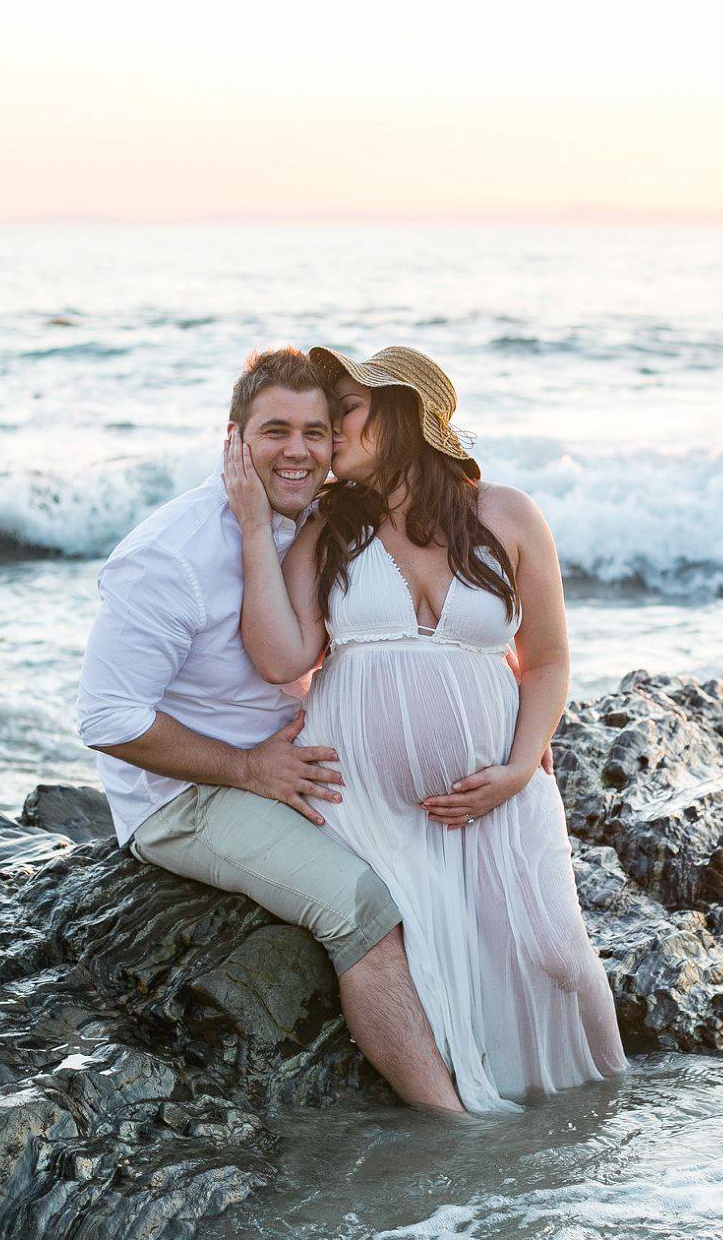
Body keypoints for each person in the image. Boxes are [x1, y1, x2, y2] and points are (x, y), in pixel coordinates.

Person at [226, 344, 626, 1112]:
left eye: (348, 408)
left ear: (405, 414)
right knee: (438, 975)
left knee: (557, 956)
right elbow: (281, 657)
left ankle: (596, 1122)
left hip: (498, 792)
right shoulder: (331, 528)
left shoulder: (505, 514)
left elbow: (545, 658)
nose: (330, 426)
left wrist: (515, 767)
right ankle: (477, 1139)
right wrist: (253, 529)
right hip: (370, 805)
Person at [76, 346, 464, 1112]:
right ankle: (450, 1124)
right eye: (274, 430)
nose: (297, 450)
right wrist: (251, 770)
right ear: (234, 440)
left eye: (315, 431)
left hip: (296, 758)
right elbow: (107, 717)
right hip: (185, 796)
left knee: (445, 866)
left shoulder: (322, 520)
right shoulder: (169, 556)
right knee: (365, 910)